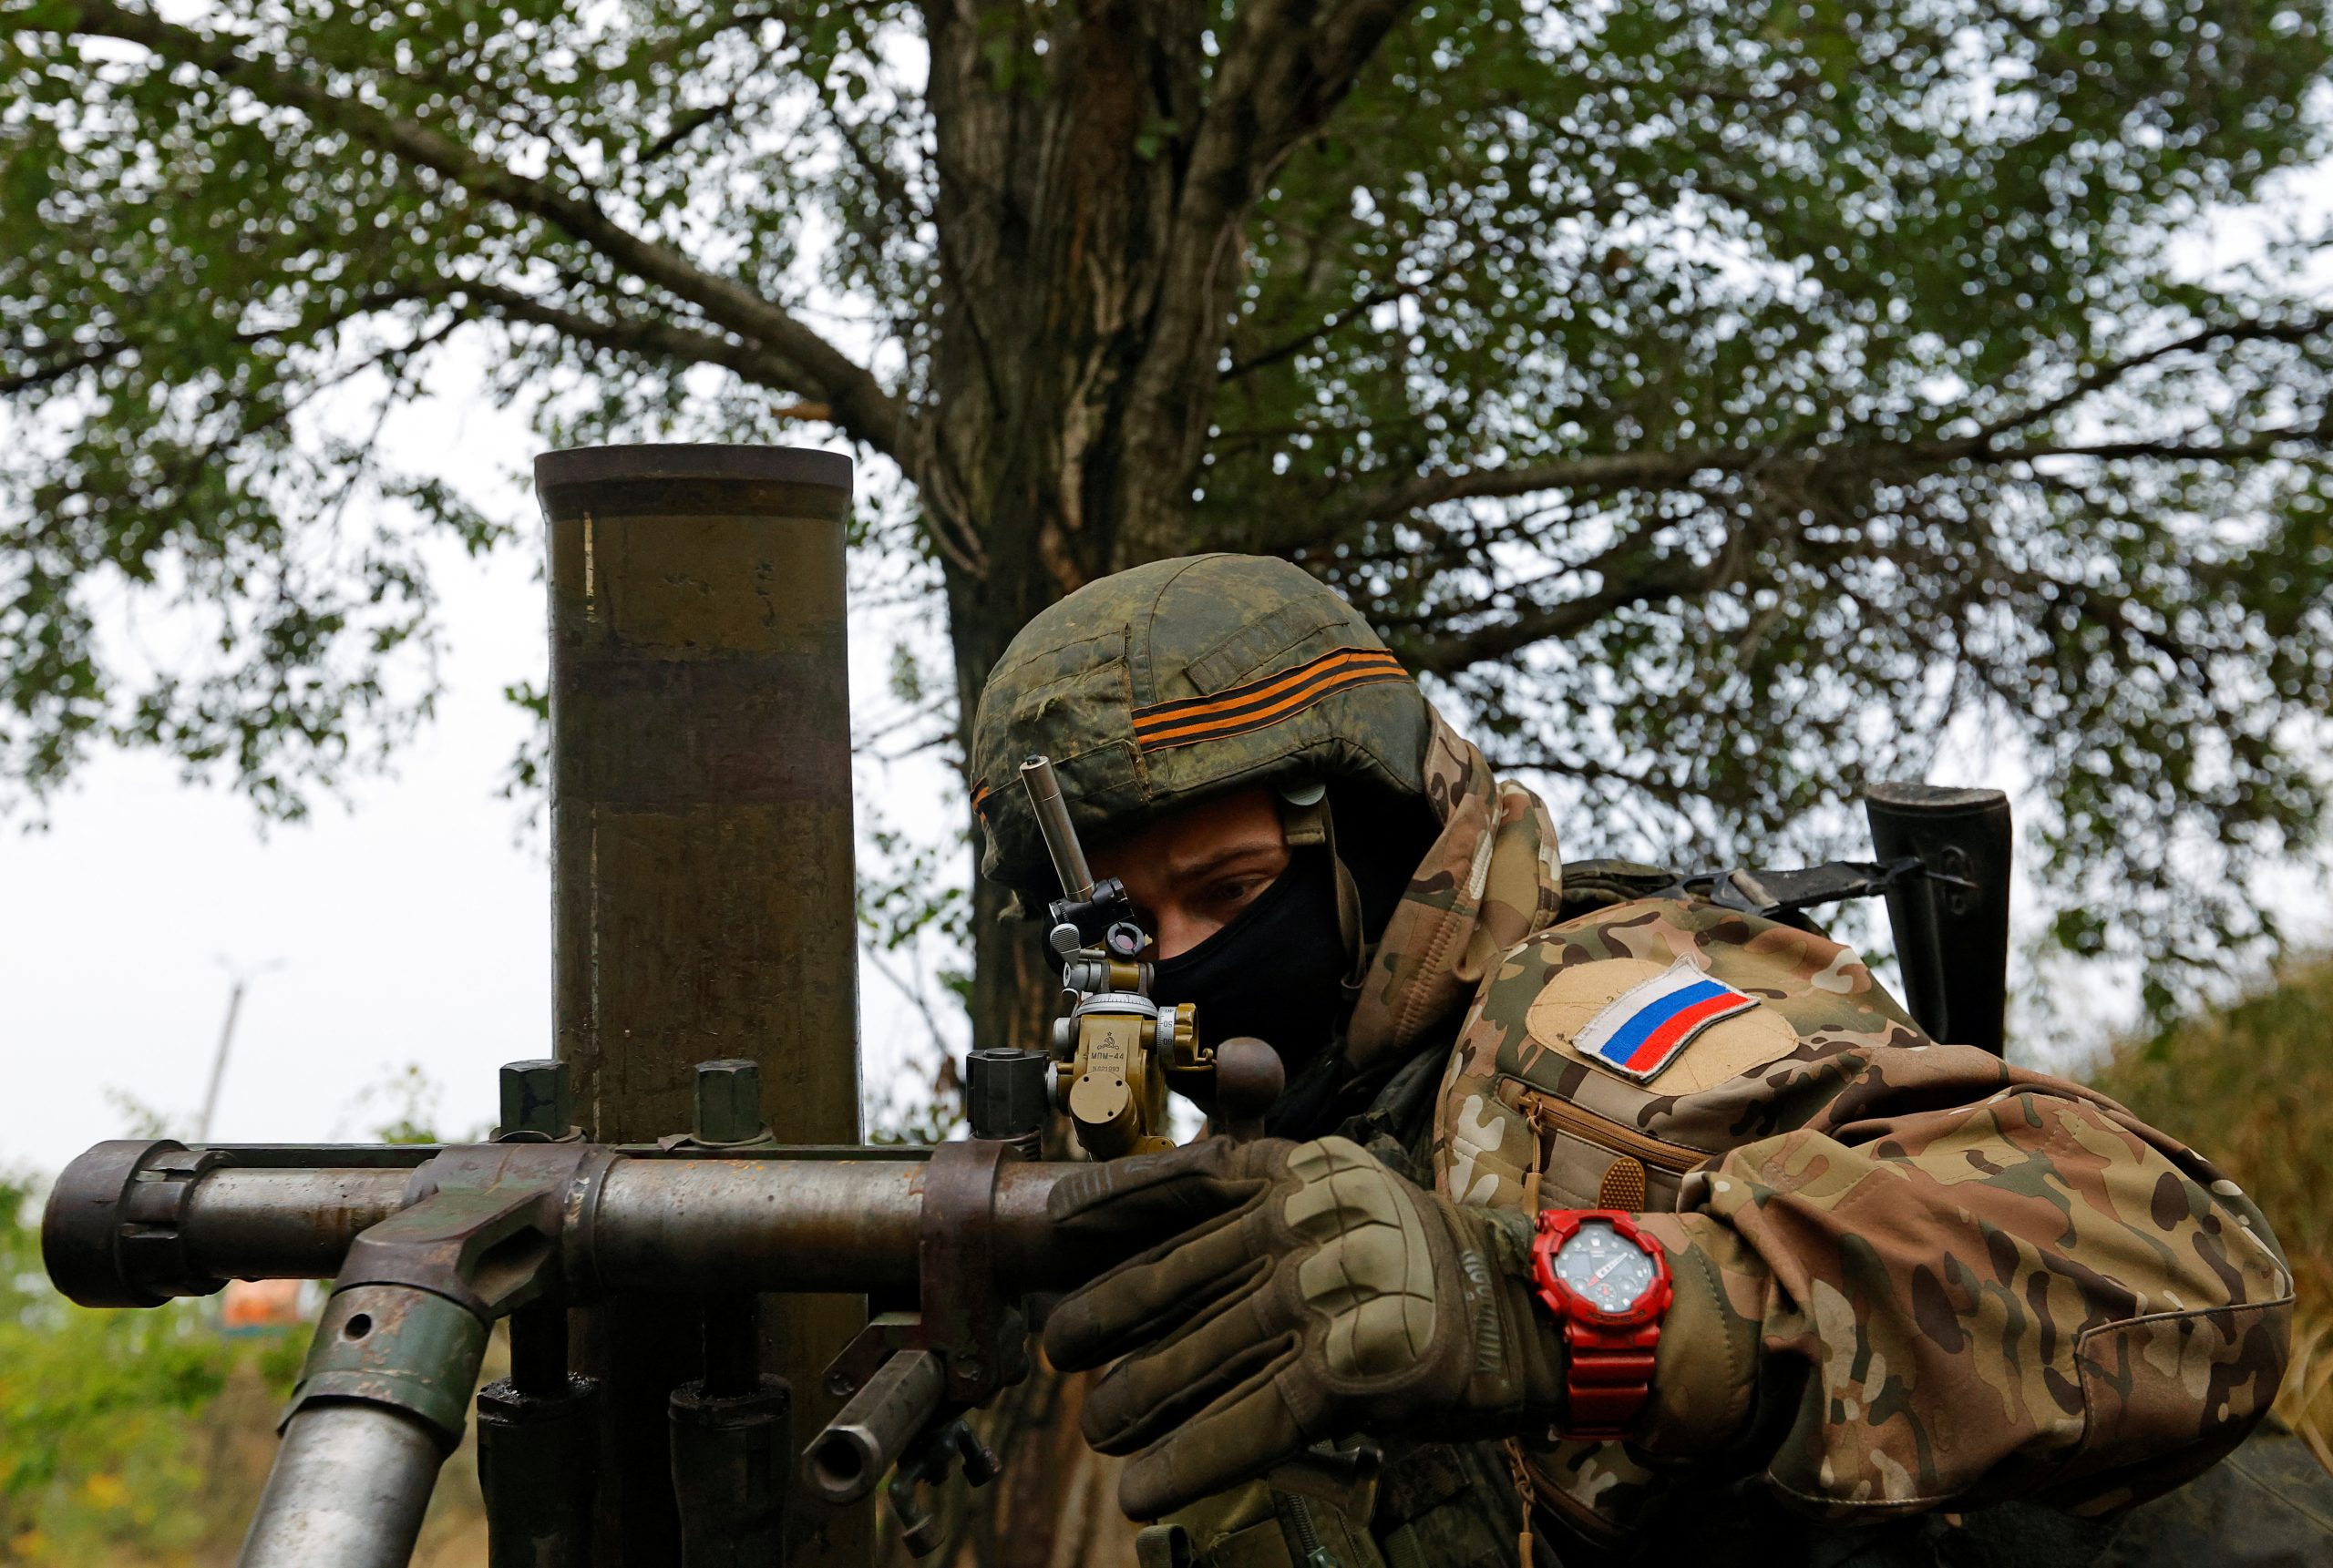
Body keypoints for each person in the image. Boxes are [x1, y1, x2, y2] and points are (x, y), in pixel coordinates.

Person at [966, 554, 2302, 1568]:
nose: (1182, 962)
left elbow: (2188, 1275)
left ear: (1378, 842)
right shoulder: (1314, 1152)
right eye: (1129, 932)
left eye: (1233, 890)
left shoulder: (1575, 1031)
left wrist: (1551, 1310)